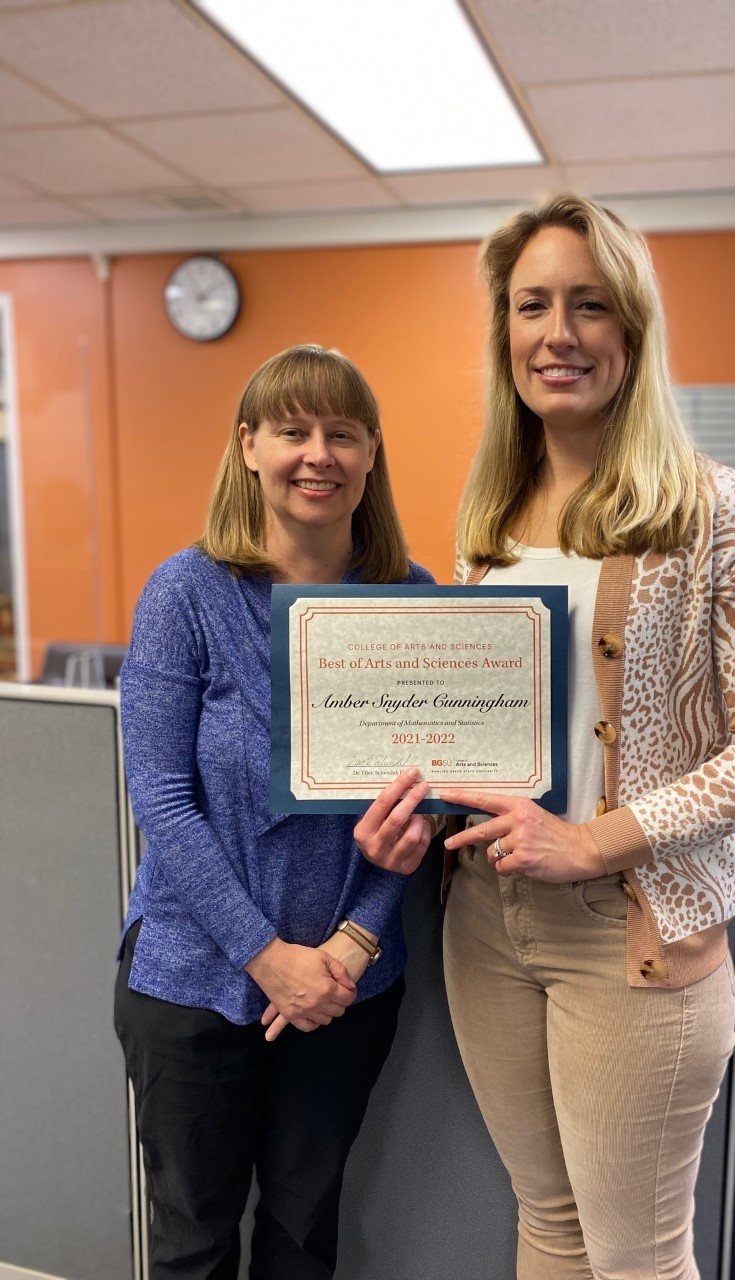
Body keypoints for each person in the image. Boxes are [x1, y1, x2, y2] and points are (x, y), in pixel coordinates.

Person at [361, 196, 735, 1280]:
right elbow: (488, 734)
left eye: (588, 304)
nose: (556, 332)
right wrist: (412, 814)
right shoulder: (493, 521)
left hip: (635, 939)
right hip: (488, 926)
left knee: (636, 1255)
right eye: (531, 305)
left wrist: (600, 838)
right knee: (547, 1222)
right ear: (503, 330)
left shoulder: (715, 510)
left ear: (633, 330)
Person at [114, 344, 434, 1280]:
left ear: (372, 453)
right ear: (248, 445)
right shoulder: (187, 594)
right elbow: (164, 804)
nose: (317, 454)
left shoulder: (410, 601)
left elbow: (429, 808)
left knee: (303, 1241)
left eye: (343, 433)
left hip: (347, 988)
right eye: (292, 430)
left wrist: (350, 949)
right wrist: (267, 957)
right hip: (192, 980)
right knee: (194, 1243)